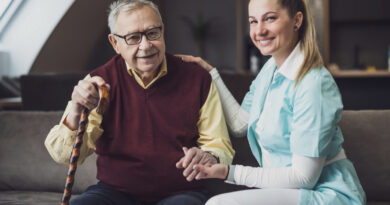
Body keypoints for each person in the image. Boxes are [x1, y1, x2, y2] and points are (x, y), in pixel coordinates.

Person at [44, 0, 235, 204]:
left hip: (180, 193)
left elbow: (219, 144)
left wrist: (209, 156)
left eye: (153, 33)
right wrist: (75, 109)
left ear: (163, 32)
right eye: (133, 37)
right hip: (114, 192)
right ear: (115, 43)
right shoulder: (97, 82)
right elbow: (65, 155)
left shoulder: (197, 78)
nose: (146, 45)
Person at [176, 0, 366, 204]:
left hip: (327, 194)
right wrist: (211, 74)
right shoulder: (269, 71)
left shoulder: (313, 83)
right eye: (253, 21)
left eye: (270, 18)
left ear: (297, 20)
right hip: (293, 191)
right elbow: (241, 124)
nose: (259, 31)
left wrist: (227, 172)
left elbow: (304, 178)